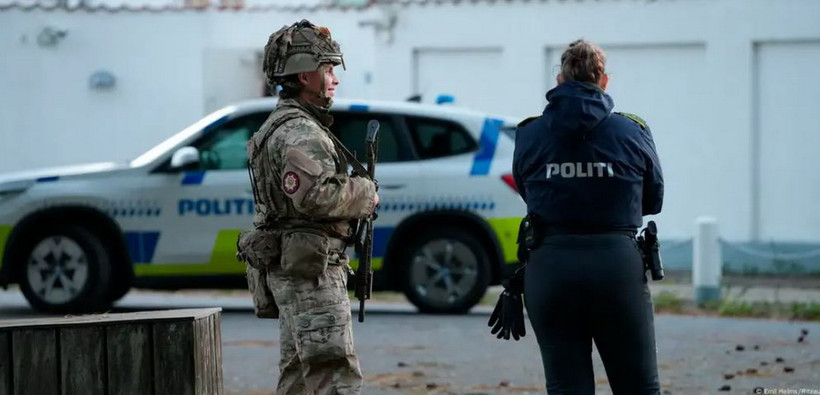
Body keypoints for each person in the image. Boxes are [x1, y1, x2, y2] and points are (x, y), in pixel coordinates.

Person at [512, 39, 664, 394]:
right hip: (617, 268)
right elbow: (653, 199)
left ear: (560, 80)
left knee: (566, 386)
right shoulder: (632, 131)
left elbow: (527, 191)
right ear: (604, 81)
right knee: (638, 385)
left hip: (550, 268)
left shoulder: (529, 134)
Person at [240, 20, 379, 394]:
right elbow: (318, 197)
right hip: (312, 275)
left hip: (298, 270)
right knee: (333, 376)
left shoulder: (281, 125)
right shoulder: (301, 131)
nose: (334, 78)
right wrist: (366, 193)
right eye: (328, 68)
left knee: (299, 379)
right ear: (304, 75)